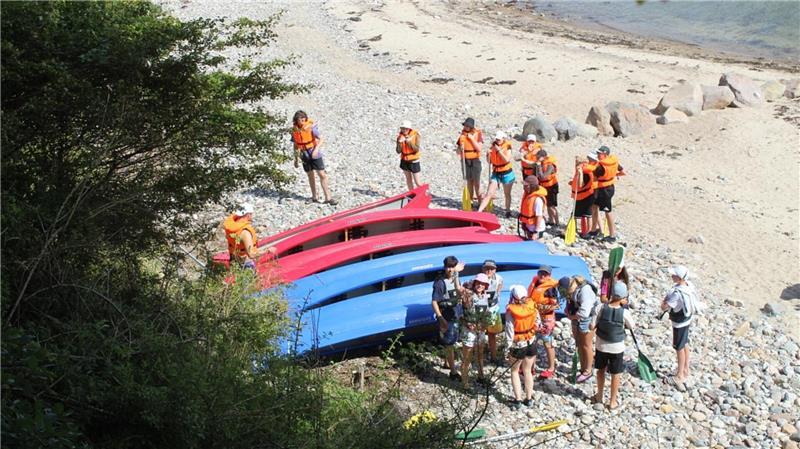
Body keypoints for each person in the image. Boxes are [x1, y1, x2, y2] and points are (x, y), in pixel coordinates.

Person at [591, 281, 635, 410]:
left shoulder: (600, 308)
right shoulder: (624, 312)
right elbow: (632, 326)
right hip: (617, 347)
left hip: (601, 345)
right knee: (616, 373)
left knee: (601, 370)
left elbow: (592, 325)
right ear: (623, 297)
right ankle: (612, 401)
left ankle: (599, 396)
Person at [660, 265, 699, 392]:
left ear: (679, 277)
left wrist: (664, 301)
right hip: (687, 320)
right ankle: (685, 368)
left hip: (679, 323)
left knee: (679, 347)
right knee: (685, 343)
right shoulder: (689, 286)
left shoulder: (677, 293)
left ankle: (680, 375)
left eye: (674, 274)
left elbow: (665, 307)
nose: (672, 276)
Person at [504, 285, 539, 410]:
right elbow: (538, 322)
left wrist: (506, 349)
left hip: (518, 344)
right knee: (528, 370)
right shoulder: (532, 306)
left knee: (514, 370)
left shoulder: (511, 312)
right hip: (531, 341)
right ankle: (529, 398)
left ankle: (518, 400)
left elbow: (509, 332)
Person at [291, 110, 337, 205]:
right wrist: (296, 159)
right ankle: (314, 197)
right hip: (304, 154)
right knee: (310, 175)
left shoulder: (311, 128)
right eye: (300, 118)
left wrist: (316, 150)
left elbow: (321, 139)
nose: (303, 120)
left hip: (314, 152)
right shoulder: (294, 130)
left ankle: (328, 197)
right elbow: (295, 145)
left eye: (304, 118)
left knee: (322, 174)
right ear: (296, 120)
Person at [431, 256, 466, 381]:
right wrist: (440, 318)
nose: (450, 270)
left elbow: (459, 292)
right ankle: (453, 372)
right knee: (450, 343)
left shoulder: (456, 278)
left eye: (452, 267)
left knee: (452, 340)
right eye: (448, 267)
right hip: (446, 315)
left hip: (456, 313)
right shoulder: (440, 283)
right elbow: (434, 301)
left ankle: (447, 362)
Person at [560, 275, 599, 383]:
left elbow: (585, 312)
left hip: (587, 318)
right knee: (579, 344)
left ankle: (588, 371)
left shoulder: (584, 291)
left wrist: (572, 317)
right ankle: (582, 368)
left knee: (586, 345)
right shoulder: (572, 290)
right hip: (576, 317)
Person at [459, 273, 492, 388]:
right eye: (478, 283)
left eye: (483, 284)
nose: (480, 285)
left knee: (480, 355)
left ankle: (481, 376)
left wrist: (485, 324)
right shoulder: (468, 294)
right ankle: (465, 383)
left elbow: (487, 313)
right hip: (469, 331)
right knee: (467, 357)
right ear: (474, 283)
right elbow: (460, 312)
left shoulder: (484, 296)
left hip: (480, 330)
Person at [527, 265, 559, 378]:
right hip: (533, 316)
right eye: (541, 273)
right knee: (532, 341)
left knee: (547, 342)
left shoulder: (551, 288)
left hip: (546, 318)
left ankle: (551, 368)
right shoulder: (535, 282)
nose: (542, 275)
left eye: (545, 274)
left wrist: (539, 308)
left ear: (549, 275)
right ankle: (531, 367)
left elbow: (555, 306)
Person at [223, 203, 276, 269]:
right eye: (251, 214)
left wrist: (256, 230)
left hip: (233, 260)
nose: (252, 216)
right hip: (245, 263)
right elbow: (251, 254)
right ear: (248, 215)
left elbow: (238, 239)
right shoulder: (245, 233)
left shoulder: (232, 226)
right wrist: (268, 251)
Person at [590, 146, 624, 242]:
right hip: (608, 187)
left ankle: (612, 235)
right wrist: (614, 175)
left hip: (604, 190)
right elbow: (622, 171)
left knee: (608, 211)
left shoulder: (601, 166)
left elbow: (594, 177)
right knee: (594, 206)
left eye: (599, 153)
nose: (597, 155)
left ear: (605, 154)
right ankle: (593, 230)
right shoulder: (613, 161)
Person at [478, 131, 516, 217]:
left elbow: (507, 160)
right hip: (496, 172)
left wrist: (498, 150)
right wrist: (488, 155)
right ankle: (479, 211)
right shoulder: (493, 146)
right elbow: (489, 162)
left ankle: (508, 210)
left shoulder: (508, 146)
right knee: (489, 193)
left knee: (507, 194)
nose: (497, 140)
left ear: (503, 139)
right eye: (496, 139)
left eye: (499, 139)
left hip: (507, 173)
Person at [481, 260, 505, 364]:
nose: (489, 270)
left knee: (492, 334)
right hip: (481, 310)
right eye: (487, 268)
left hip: (493, 308)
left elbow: (500, 286)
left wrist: (497, 296)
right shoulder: (478, 279)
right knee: (480, 334)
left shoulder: (499, 278)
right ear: (483, 269)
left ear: (495, 270)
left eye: (491, 268)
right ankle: (479, 357)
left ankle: (493, 357)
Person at [456, 118, 484, 205]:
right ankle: (470, 201)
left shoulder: (478, 134)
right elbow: (457, 151)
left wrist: (471, 139)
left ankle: (480, 201)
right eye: (465, 125)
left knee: (477, 182)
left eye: (468, 126)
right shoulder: (462, 136)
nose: (466, 127)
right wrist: (460, 148)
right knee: (469, 181)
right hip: (465, 160)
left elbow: (479, 148)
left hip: (475, 160)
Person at [569, 152, 597, 239]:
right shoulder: (583, 169)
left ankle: (586, 232)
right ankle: (582, 231)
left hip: (585, 196)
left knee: (586, 214)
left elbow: (581, 184)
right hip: (583, 195)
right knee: (585, 214)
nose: (575, 165)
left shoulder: (584, 172)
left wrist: (580, 173)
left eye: (577, 163)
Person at [535, 149, 560, 228]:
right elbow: (538, 175)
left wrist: (538, 165)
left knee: (551, 205)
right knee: (547, 204)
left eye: (538, 157)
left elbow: (543, 176)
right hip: (544, 186)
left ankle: (557, 222)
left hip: (551, 187)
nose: (537, 159)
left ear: (543, 157)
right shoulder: (541, 163)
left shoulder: (550, 165)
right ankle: (551, 220)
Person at [518, 175, 547, 241]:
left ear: (532, 186)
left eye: (526, 186)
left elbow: (539, 216)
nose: (524, 187)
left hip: (536, 229)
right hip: (529, 227)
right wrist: (524, 223)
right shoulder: (528, 195)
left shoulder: (538, 200)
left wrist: (536, 232)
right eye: (524, 185)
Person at [396, 121, 422, 191]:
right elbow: (398, 151)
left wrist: (408, 142)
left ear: (409, 129)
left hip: (414, 160)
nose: (404, 130)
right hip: (404, 160)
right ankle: (412, 194)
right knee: (408, 179)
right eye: (402, 128)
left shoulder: (416, 135)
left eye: (405, 129)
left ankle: (425, 194)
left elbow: (416, 149)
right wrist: (399, 142)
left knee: (417, 182)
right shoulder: (400, 137)